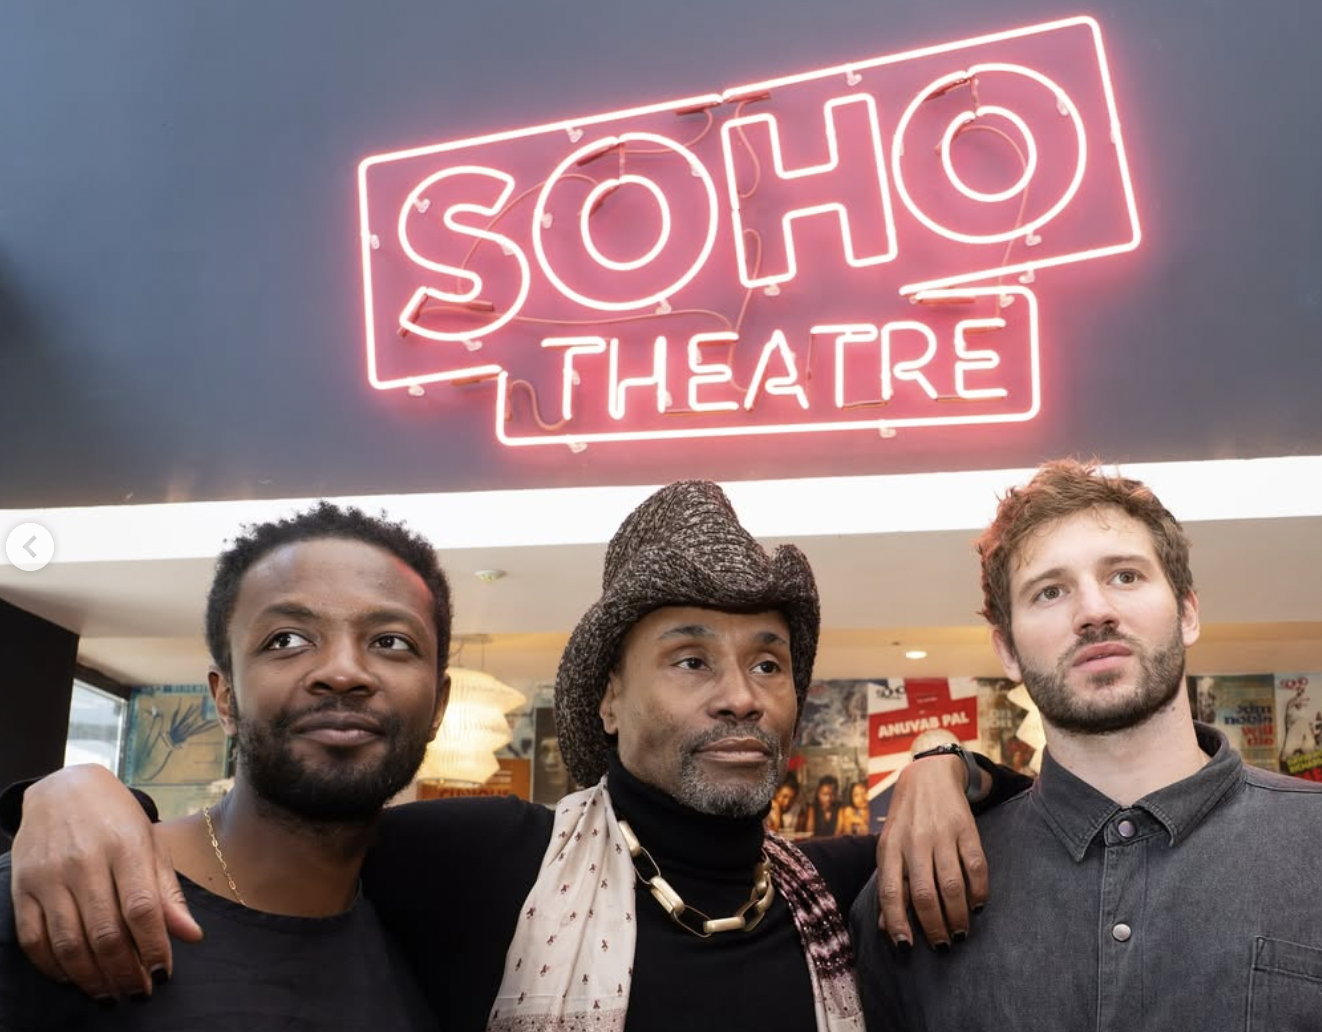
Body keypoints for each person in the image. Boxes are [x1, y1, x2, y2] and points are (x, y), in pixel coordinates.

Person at [5, 480, 1026, 1030]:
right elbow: (288, 839)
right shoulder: (485, 861)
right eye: (688, 659)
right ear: (609, 704)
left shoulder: (831, 892)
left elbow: (1035, 808)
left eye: (768, 662)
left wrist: (943, 763)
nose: (738, 694)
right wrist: (71, 793)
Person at [850, 459, 1322, 1030]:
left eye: (1125, 575)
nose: (1094, 612)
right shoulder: (916, 886)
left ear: (1188, 613)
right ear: (1007, 651)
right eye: (1049, 591)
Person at [1, 502, 452, 1028]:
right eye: (287, 640)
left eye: (390, 642)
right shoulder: (59, 904)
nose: (343, 672)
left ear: (439, 705)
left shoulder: (443, 934)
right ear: (226, 699)